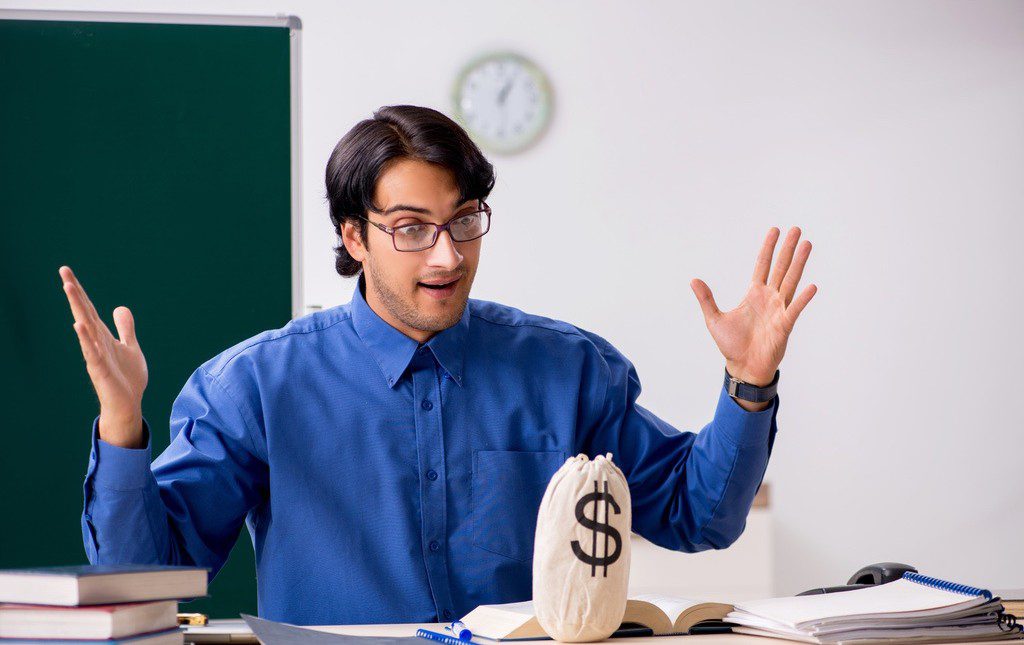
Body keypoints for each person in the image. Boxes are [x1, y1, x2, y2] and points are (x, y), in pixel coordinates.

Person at [59, 105, 816, 626]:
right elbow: (145, 582)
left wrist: (749, 383)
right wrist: (123, 424)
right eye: (412, 228)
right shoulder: (256, 387)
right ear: (354, 236)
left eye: (463, 221)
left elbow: (699, 513)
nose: (449, 255)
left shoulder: (566, 368)